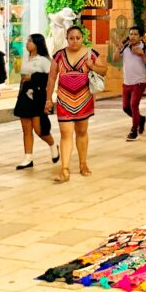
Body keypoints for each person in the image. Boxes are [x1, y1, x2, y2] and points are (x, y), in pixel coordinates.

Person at [45, 26, 108, 181]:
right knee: (66, 134)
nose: (74, 41)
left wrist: (92, 66)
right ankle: (64, 169)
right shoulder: (59, 56)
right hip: (64, 99)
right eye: (71, 38)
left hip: (84, 99)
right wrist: (48, 99)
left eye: (77, 38)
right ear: (67, 39)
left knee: (81, 132)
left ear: (82, 38)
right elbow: (52, 78)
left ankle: (82, 163)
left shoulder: (91, 54)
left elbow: (104, 70)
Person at [13, 34, 58, 170]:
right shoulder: (25, 59)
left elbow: (48, 79)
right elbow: (22, 78)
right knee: (26, 128)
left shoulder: (44, 60)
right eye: (27, 41)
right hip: (24, 95)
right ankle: (28, 158)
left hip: (38, 96)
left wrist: (32, 77)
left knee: (39, 129)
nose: (27, 43)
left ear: (38, 43)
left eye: (30, 41)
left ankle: (52, 145)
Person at [120, 25, 146, 141]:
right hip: (126, 82)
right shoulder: (125, 48)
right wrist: (119, 47)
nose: (132, 36)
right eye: (131, 34)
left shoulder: (145, 48)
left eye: (135, 34)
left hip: (139, 82)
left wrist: (141, 54)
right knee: (125, 107)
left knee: (134, 105)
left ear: (140, 37)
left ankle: (134, 130)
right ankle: (141, 119)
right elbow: (115, 59)